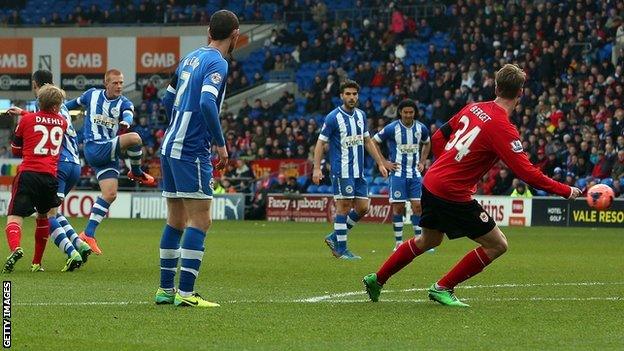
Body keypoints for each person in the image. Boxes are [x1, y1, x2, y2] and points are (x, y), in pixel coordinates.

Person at [363, 64, 581, 306]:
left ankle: (377, 278)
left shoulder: (474, 107)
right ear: (521, 92)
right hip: (452, 193)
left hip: (432, 182)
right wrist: (566, 190)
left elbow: (437, 137)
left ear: (496, 87)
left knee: (429, 240)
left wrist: (445, 164)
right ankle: (442, 287)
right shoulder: (503, 128)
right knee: (497, 244)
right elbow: (527, 173)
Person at [154, 9, 237, 308]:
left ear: (209, 33)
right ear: (235, 35)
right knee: (201, 220)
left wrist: (177, 122)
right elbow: (206, 101)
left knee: (176, 220)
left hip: (170, 144)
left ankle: (165, 290)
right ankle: (186, 294)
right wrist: (220, 144)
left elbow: (167, 97)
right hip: (191, 149)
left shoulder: (190, 57)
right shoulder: (218, 62)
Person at [65, 69, 157, 255]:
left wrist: (126, 121)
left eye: (121, 82)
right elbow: (69, 105)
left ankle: (88, 234)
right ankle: (136, 172)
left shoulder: (124, 102)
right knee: (135, 139)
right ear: (106, 83)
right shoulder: (92, 95)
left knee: (110, 194)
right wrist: (54, 113)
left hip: (108, 152)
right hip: (94, 147)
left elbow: (128, 113)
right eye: (115, 83)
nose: (119, 86)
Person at [7, 70, 92, 272]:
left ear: (36, 87)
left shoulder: (34, 117)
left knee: (46, 215)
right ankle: (79, 244)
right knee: (49, 211)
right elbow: (52, 121)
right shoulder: (61, 116)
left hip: (56, 165)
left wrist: (24, 115)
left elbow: (36, 125)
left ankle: (72, 252)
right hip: (73, 164)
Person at [312, 79, 393, 260]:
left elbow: (367, 141)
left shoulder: (361, 116)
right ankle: (341, 249)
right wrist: (316, 168)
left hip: (358, 170)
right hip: (342, 170)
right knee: (343, 208)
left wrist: (380, 162)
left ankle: (334, 237)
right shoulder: (333, 117)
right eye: (348, 94)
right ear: (341, 96)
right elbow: (320, 143)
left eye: (354, 94)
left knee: (363, 208)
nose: (351, 97)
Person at [371, 98, 431, 251]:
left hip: (415, 174)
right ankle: (398, 242)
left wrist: (423, 161)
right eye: (405, 112)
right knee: (398, 208)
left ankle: (420, 241)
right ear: (400, 113)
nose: (408, 115)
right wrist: (384, 162)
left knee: (418, 207)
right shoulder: (392, 128)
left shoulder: (421, 128)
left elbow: (427, 142)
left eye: (411, 112)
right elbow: (373, 141)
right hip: (398, 175)